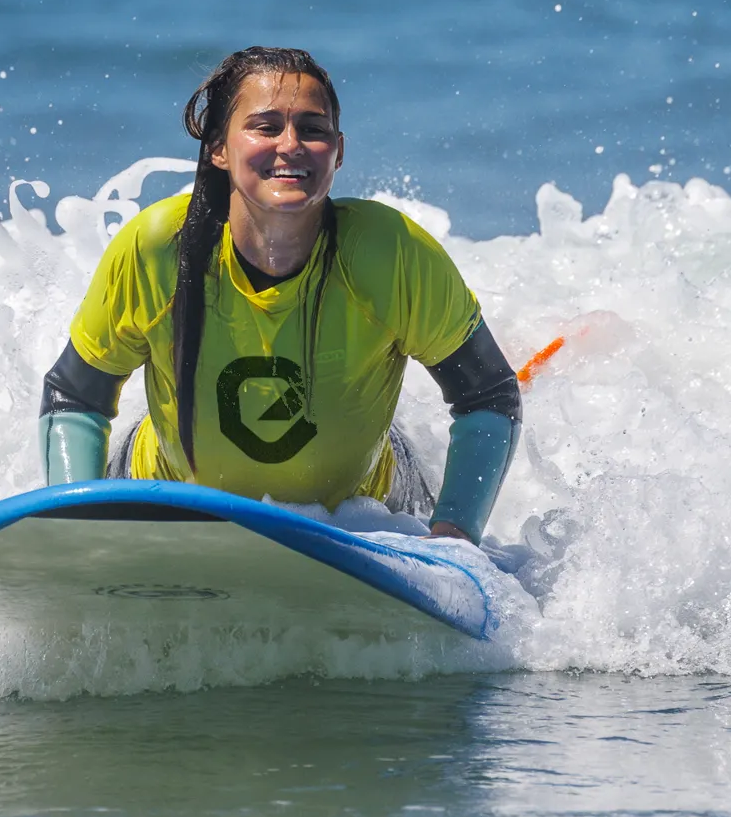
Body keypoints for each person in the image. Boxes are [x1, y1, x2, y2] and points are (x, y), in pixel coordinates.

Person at [36, 47, 520, 543]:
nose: (291, 144)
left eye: (312, 129)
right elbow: (74, 396)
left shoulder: (389, 253)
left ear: (338, 150)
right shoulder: (160, 249)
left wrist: (453, 536)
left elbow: (488, 394)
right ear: (219, 148)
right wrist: (79, 535)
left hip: (367, 511)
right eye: (265, 126)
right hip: (161, 488)